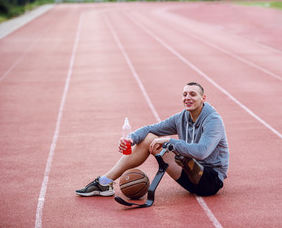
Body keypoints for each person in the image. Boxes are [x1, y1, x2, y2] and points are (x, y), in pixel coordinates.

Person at [76, 82, 229, 197]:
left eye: (193, 94)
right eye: (185, 94)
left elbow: (202, 152)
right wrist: (130, 139)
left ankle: (104, 183)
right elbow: (150, 129)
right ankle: (104, 183)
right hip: (188, 173)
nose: (188, 98)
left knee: (165, 144)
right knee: (149, 139)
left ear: (203, 98)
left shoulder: (213, 120)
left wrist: (170, 141)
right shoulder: (181, 117)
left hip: (210, 180)